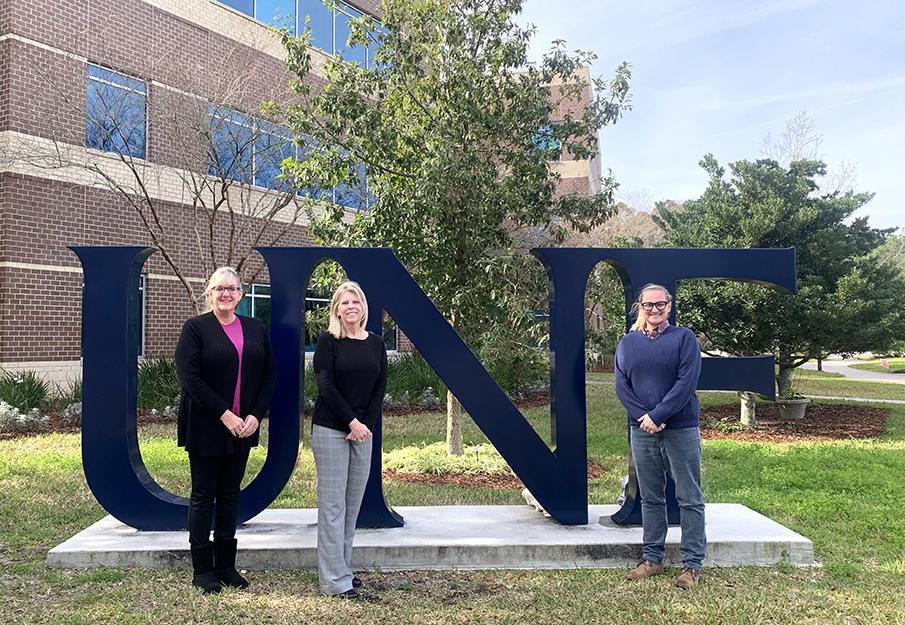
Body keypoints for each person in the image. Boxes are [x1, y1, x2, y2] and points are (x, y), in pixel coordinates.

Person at [175, 267, 276, 594]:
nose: (226, 294)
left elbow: (268, 374)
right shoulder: (196, 328)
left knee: (231, 493)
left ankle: (226, 566)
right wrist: (225, 415)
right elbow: (189, 378)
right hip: (207, 424)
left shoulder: (255, 328)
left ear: (241, 294)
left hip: (244, 427)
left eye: (232, 289)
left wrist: (255, 415)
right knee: (204, 494)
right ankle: (203, 570)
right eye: (220, 289)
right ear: (210, 293)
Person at [614, 284, 705, 589]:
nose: (654, 310)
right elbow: (622, 386)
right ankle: (652, 558)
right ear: (640, 307)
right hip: (641, 431)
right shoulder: (627, 343)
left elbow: (686, 383)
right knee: (650, 497)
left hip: (680, 428)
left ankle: (692, 565)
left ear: (669, 305)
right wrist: (645, 418)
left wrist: (658, 416)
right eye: (648, 305)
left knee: (689, 497)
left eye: (660, 304)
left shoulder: (684, 338)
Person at [312, 281, 387, 600]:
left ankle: (342, 568)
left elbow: (379, 387)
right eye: (344, 302)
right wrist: (352, 422)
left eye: (355, 301)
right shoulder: (328, 342)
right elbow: (326, 388)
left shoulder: (376, 343)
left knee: (352, 503)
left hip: (362, 432)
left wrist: (364, 425)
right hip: (331, 428)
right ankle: (333, 581)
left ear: (363, 307)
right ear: (336, 310)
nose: (351, 306)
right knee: (332, 505)